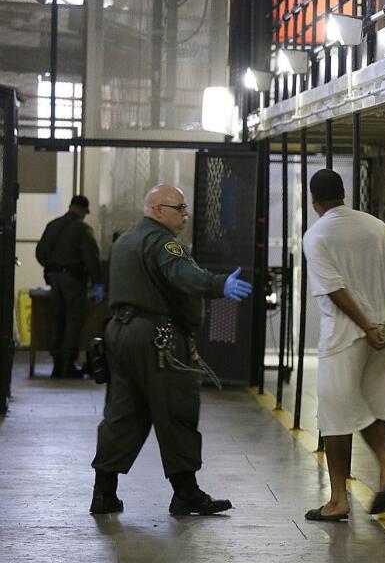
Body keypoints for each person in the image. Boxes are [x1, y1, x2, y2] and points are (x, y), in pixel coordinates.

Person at [89, 185, 253, 516]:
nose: (185, 214)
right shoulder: (163, 242)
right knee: (177, 407)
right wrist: (219, 284)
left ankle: (103, 492)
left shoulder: (124, 241)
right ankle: (186, 493)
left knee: (123, 412)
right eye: (179, 208)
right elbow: (184, 275)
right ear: (157, 209)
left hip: (119, 334)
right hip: (157, 337)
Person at [301, 169, 385, 521]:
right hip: (383, 328)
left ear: (314, 200)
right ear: (344, 194)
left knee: (335, 416)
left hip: (346, 335)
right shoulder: (376, 226)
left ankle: (338, 500)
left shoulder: (317, 235)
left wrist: (364, 326)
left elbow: (334, 289)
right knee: (370, 407)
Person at [35, 194, 104, 378]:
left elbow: (40, 252)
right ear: (82, 210)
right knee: (73, 320)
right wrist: (98, 282)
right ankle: (68, 364)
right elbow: (92, 259)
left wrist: (51, 268)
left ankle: (56, 363)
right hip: (74, 280)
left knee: (56, 319)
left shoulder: (53, 225)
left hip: (54, 279)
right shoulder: (83, 230)